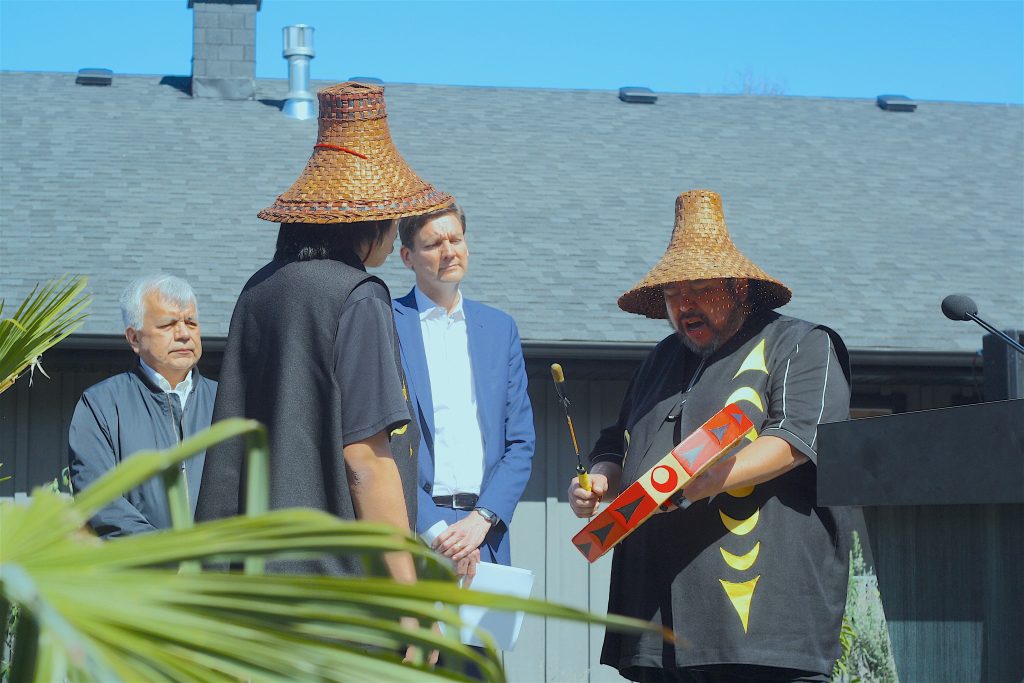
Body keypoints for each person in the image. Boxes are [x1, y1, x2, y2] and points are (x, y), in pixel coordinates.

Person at [569, 190, 853, 682]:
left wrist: (712, 478)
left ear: (739, 287)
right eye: (673, 295)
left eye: (699, 289)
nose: (684, 306)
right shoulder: (660, 358)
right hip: (654, 617)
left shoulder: (801, 343)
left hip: (759, 624)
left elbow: (796, 436)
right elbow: (616, 440)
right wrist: (599, 478)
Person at [194, 82, 453, 585]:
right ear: (368, 216)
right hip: (338, 591)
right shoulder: (359, 296)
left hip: (248, 579)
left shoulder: (258, 291)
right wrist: (412, 603)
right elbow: (367, 463)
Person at [392, 204, 535, 578]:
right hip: (412, 530)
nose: (449, 251)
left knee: (480, 641)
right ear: (407, 257)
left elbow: (520, 443)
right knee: (414, 639)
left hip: (485, 533)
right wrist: (437, 534)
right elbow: (384, 441)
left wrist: (482, 520)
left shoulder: (500, 329)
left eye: (456, 239)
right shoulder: (385, 322)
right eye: (434, 243)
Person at [69, 274, 216, 538]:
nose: (184, 334)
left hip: (222, 574)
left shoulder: (227, 401)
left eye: (191, 322)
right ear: (134, 338)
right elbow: (100, 500)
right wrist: (168, 556)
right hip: (140, 573)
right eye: (168, 324)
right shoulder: (101, 405)